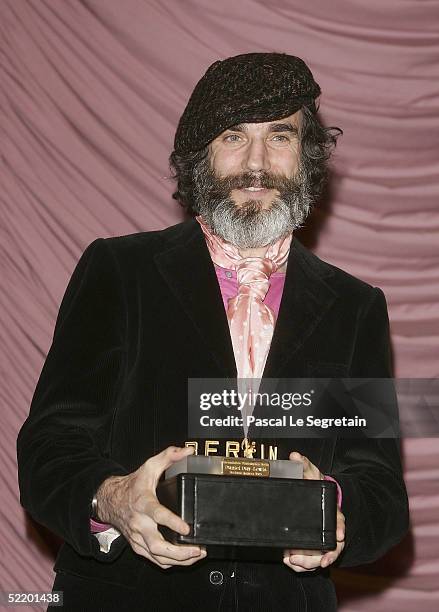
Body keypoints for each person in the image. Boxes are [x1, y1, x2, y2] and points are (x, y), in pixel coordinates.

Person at [17, 52, 409, 611]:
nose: (257, 164)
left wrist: (334, 509)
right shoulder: (118, 271)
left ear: (307, 156)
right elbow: (49, 449)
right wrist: (114, 497)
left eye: (279, 136)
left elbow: (383, 492)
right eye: (232, 136)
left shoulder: (356, 307)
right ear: (200, 158)